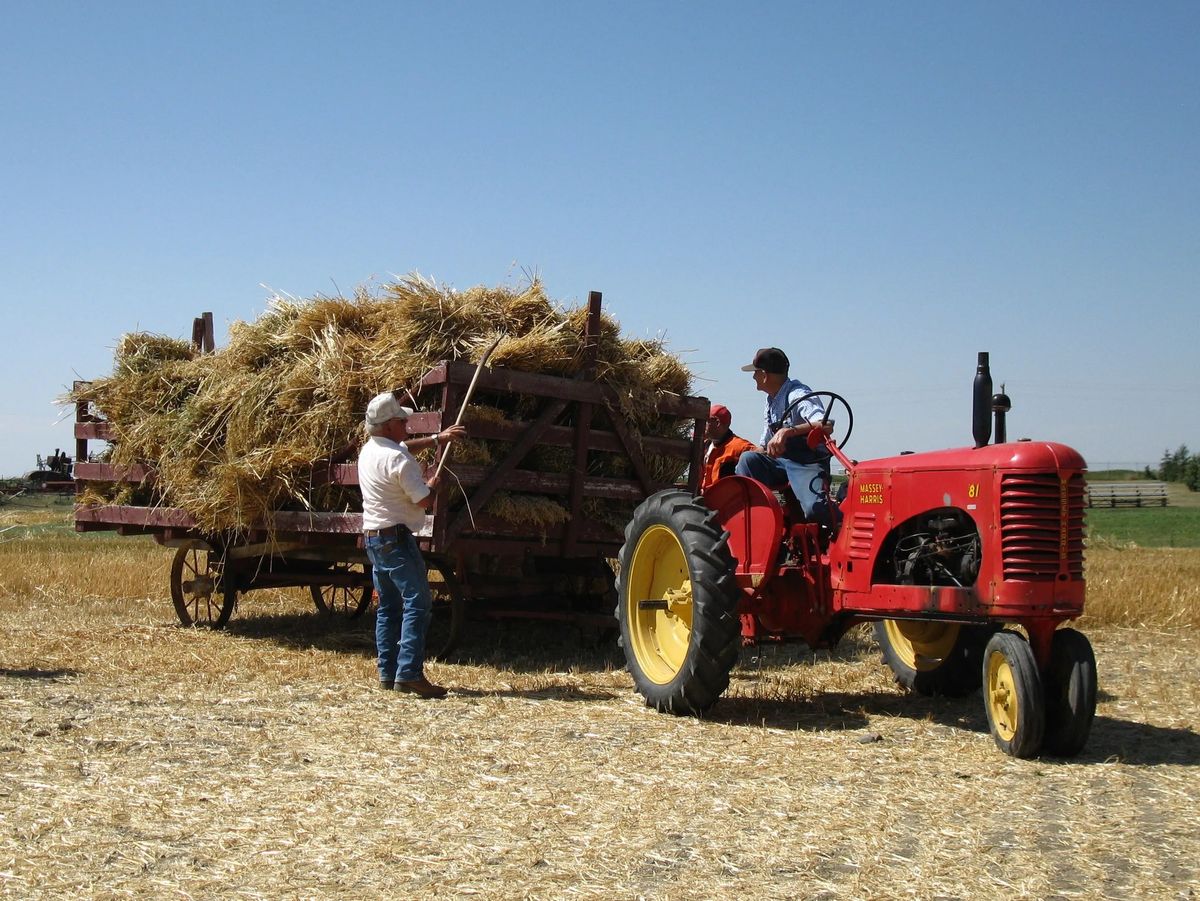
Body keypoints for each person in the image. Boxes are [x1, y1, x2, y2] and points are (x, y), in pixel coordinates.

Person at [358, 391, 467, 697]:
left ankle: (388, 672)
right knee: (418, 603)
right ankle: (409, 673)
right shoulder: (397, 459)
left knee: (389, 607)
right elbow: (423, 501)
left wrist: (437, 439)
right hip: (396, 539)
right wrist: (433, 486)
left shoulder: (371, 450)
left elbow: (404, 446)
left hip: (375, 539)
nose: (407, 422)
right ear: (388, 426)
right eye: (401, 420)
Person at [733, 347, 832, 519]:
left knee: (815, 510)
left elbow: (825, 424)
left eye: (755, 372)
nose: (753, 377)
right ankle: (756, 518)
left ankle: (834, 526)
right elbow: (764, 447)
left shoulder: (797, 394)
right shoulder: (771, 400)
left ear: (764, 375)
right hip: (782, 463)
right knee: (748, 460)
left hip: (805, 464)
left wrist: (787, 432)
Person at [699, 403, 757, 491]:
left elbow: (759, 455)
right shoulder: (704, 446)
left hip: (724, 501)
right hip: (703, 499)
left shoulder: (739, 446)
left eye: (706, 421)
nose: (702, 425)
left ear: (717, 423)